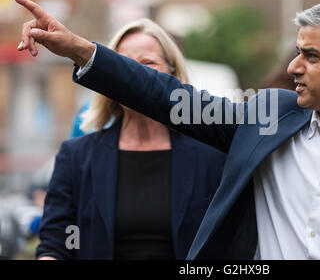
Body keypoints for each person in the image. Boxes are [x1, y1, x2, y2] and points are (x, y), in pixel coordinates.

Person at [16, 0, 320, 259]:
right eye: (297, 52)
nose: (293, 67)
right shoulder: (268, 117)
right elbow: (162, 94)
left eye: (311, 56)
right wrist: (77, 49)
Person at [33, 18, 226, 259]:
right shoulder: (77, 157)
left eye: (148, 64)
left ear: (172, 75)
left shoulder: (211, 156)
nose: (134, 77)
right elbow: (55, 243)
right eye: (124, 66)